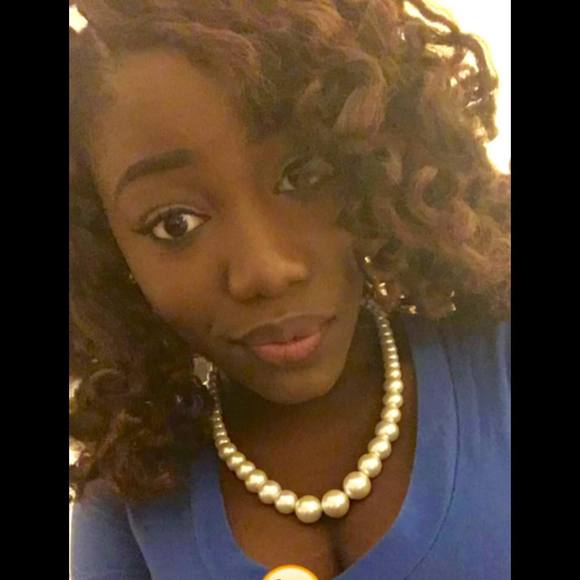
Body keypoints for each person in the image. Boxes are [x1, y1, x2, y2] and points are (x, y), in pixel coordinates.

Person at [69, 1, 510, 579]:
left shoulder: (498, 370)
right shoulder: (128, 500)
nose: (266, 271)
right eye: (175, 223)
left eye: (302, 175)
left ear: (380, 158)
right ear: (102, 253)